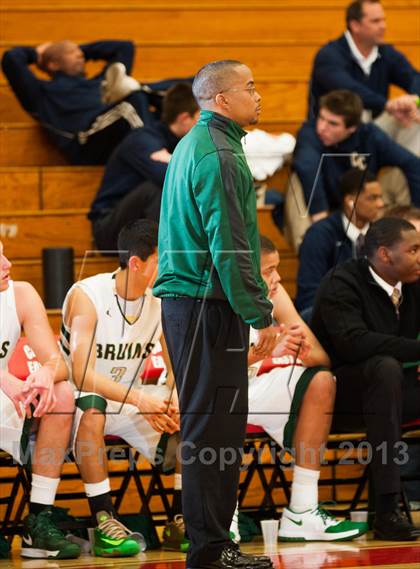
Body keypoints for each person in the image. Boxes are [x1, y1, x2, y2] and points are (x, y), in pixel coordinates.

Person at [153, 60, 277, 569]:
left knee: (214, 427)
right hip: (207, 304)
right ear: (222, 99)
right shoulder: (220, 154)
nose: (258, 95)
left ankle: (212, 545)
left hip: (195, 304)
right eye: (250, 87)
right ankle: (210, 549)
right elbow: (232, 248)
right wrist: (260, 314)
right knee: (214, 430)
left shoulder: (196, 144)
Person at [60, 219, 180, 557]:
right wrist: (141, 399)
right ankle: (105, 521)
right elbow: (80, 374)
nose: (170, 267)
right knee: (94, 407)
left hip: (131, 401)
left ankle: (181, 518)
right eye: (163, 260)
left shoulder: (161, 300)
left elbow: (175, 371)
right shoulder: (87, 296)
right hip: (75, 402)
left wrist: (174, 398)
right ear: (136, 263)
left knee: (189, 413)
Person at [246, 235, 368, 541]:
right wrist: (268, 351)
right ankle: (224, 517)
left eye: (276, 268)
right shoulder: (218, 297)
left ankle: (302, 511)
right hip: (218, 389)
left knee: (322, 380)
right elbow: (209, 366)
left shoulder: (274, 293)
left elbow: (320, 356)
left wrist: (297, 346)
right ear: (243, 271)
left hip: (257, 386)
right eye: (267, 271)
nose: (276, 278)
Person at [311, 217, 420, 540]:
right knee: (383, 368)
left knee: (388, 372)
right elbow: (354, 343)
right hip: (338, 396)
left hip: (395, 389)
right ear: (386, 254)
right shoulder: (341, 282)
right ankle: (387, 508)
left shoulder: (413, 284)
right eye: (413, 249)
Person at [0, 241, 80, 559]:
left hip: (7, 398)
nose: (8, 264)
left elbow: (60, 362)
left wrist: (47, 372)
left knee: (61, 393)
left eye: (5, 253)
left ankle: (39, 519)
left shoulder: (20, 294)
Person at [1, 40, 189, 165]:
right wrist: (37, 53)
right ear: (53, 64)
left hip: (117, 130)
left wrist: (81, 50)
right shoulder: (41, 94)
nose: (79, 55)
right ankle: (155, 153)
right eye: (70, 52)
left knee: (179, 93)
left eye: (79, 51)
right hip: (85, 142)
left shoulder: (99, 83)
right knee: (132, 101)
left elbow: (125, 47)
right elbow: (11, 59)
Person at [284, 90, 420, 251]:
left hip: (362, 205)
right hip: (324, 207)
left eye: (332, 123)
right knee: (298, 179)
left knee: (399, 174)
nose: (321, 128)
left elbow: (412, 163)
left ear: (352, 128)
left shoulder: (369, 135)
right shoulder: (310, 132)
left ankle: (406, 236)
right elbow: (307, 165)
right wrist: (320, 216)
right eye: (321, 118)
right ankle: (311, 248)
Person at [89, 83, 200, 251]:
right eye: (201, 118)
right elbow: (170, 178)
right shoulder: (143, 139)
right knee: (157, 189)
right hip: (109, 228)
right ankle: (160, 260)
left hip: (139, 225)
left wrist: (173, 161)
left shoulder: (183, 145)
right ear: (184, 118)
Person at [308, 0, 420, 143]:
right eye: (376, 21)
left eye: (384, 20)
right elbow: (351, 91)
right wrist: (388, 104)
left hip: (374, 130)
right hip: (334, 133)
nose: (383, 26)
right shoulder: (329, 55)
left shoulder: (386, 53)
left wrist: (414, 101)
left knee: (414, 112)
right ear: (355, 25)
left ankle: (410, 165)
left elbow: (415, 78)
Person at [296, 168, 384, 313]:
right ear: (350, 201)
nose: (381, 204)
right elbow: (309, 294)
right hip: (332, 315)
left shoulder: (382, 234)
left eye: (380, 197)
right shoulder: (319, 235)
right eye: (372, 198)